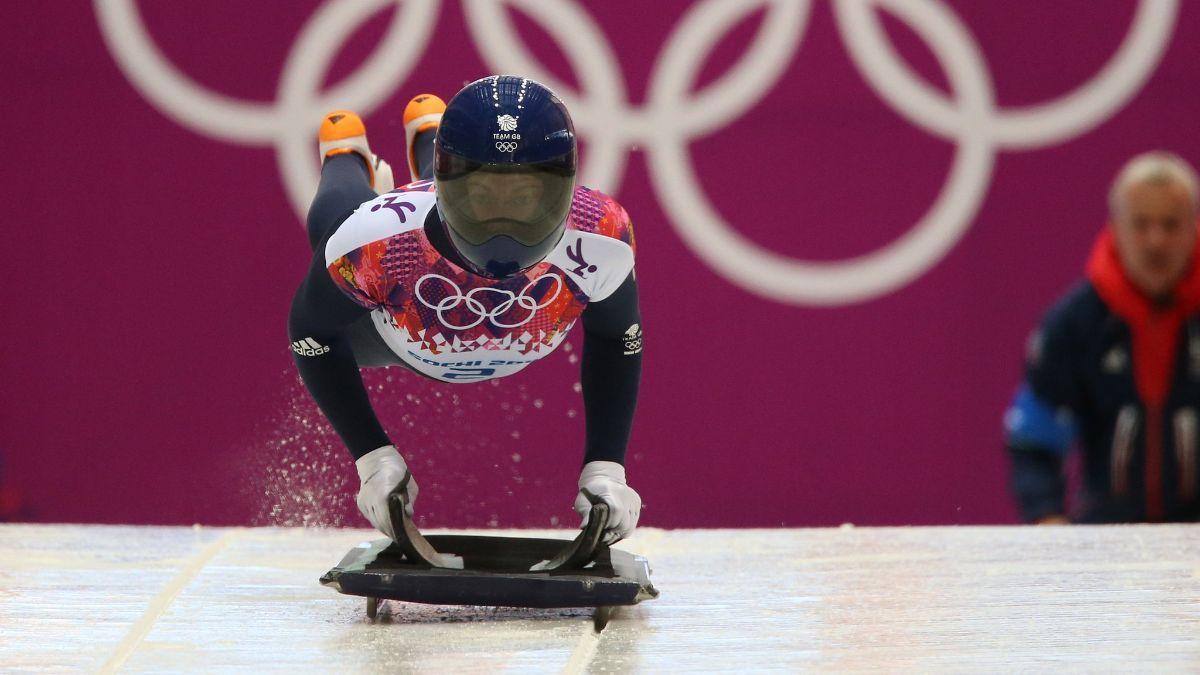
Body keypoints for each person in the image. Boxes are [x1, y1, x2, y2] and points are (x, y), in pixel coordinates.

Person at [289, 76, 644, 544]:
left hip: (415, 310)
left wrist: (606, 469)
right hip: (381, 333)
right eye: (481, 198)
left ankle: (432, 137)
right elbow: (310, 331)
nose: (504, 227)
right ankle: (344, 156)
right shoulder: (376, 245)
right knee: (335, 234)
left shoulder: (601, 232)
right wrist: (373, 458)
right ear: (447, 186)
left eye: (524, 198)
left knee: (347, 246)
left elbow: (616, 337)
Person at [1006, 151, 1200, 523]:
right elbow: (1032, 442)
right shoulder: (1074, 323)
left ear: (1194, 226)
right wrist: (1050, 522)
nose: (1156, 241)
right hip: (1106, 538)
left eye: (1171, 224)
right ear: (1117, 227)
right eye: (1141, 224)